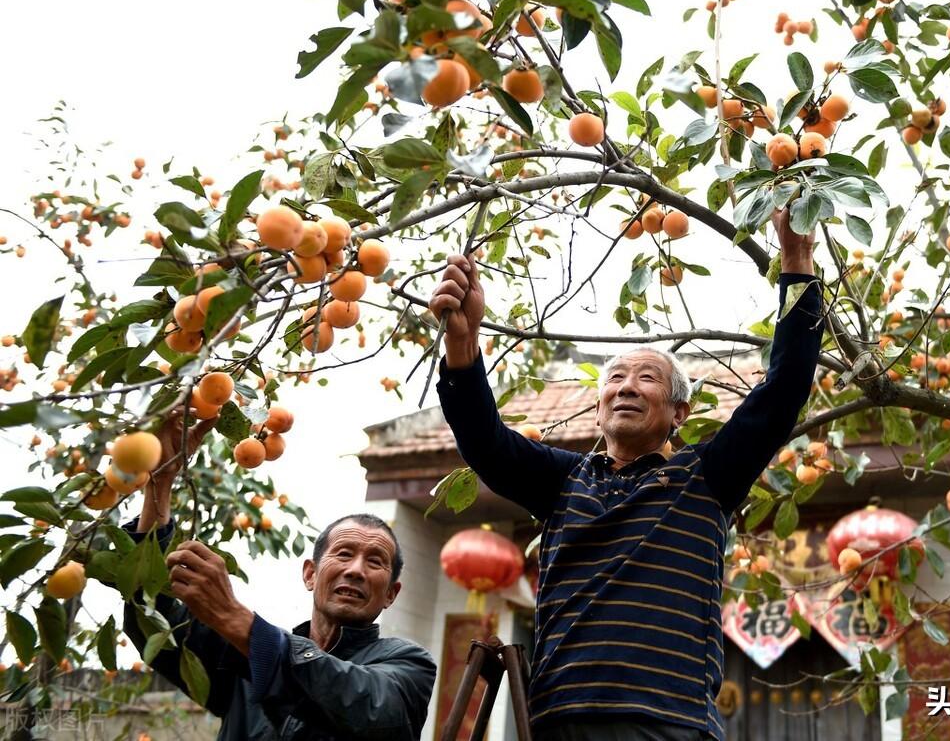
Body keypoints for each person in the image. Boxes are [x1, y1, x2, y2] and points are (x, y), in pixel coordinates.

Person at [430, 210, 823, 740]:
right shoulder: (564, 482)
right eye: (615, 378)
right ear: (598, 410)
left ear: (679, 413)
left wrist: (797, 262)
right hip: (557, 720)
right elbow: (484, 441)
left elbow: (784, 391)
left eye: (646, 378)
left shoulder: (703, 478)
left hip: (668, 721)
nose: (627, 387)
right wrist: (463, 341)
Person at [115, 413, 436, 740]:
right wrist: (160, 485)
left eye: (375, 561)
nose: (355, 570)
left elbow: (366, 706)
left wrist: (235, 619)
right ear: (310, 574)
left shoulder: (407, 665)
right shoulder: (243, 659)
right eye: (343, 554)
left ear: (391, 594)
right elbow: (153, 615)